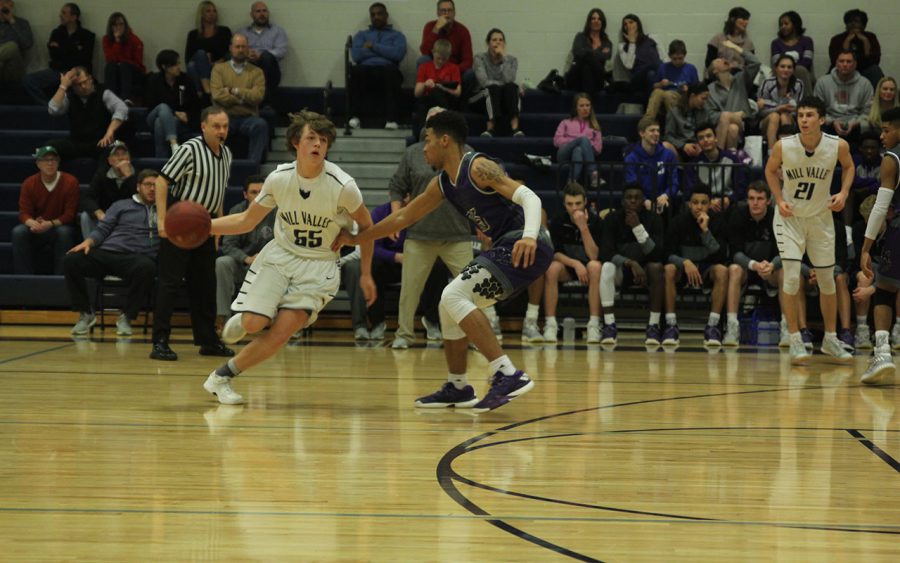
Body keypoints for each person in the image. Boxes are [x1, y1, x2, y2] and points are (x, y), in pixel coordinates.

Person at [334, 110, 554, 413]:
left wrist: (529, 236)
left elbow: (529, 196)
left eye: (427, 140)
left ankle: (507, 373)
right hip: (506, 245)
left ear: (445, 140)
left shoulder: (477, 166)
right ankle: (459, 386)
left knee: (454, 294)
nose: (423, 148)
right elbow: (403, 216)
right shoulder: (442, 184)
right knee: (448, 305)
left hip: (525, 242)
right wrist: (358, 238)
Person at [207, 111, 376, 405]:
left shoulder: (342, 185)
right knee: (253, 325)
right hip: (280, 256)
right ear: (296, 142)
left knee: (283, 331)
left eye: (323, 140)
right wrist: (205, 227)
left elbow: (369, 226)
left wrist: (364, 271)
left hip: (319, 265)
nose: (318, 145)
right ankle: (245, 320)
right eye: (311, 138)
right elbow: (246, 221)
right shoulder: (279, 179)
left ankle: (221, 377)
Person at [765, 95, 855, 363]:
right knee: (792, 277)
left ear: (822, 119)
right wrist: (779, 200)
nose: (804, 120)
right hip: (790, 219)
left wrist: (844, 192)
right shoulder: (784, 146)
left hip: (820, 219)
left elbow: (849, 167)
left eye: (809, 115)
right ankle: (794, 338)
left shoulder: (837, 145)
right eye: (801, 115)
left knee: (827, 280)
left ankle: (830, 339)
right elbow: (770, 172)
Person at [150, 105, 236, 362]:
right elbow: (161, 181)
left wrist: (218, 226)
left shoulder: (227, 154)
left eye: (225, 126)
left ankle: (208, 340)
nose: (221, 131)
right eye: (216, 126)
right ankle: (160, 341)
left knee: (205, 286)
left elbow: (218, 193)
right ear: (203, 127)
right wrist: (163, 222)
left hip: (206, 227)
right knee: (169, 284)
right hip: (180, 225)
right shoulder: (189, 149)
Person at [387, 106, 475, 350]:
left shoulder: (468, 155)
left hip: (457, 235)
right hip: (420, 234)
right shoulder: (414, 153)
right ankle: (404, 334)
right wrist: (396, 217)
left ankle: (479, 335)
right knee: (409, 291)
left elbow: (479, 193)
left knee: (473, 288)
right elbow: (397, 185)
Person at [63, 169, 159, 336]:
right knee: (71, 260)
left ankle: (126, 317)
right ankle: (85, 313)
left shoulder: (165, 210)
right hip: (107, 253)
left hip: (136, 259)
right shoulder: (121, 205)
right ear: (138, 187)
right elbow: (103, 229)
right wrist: (88, 242)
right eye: (147, 185)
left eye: (156, 185)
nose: (152, 189)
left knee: (147, 267)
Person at [859, 107, 900, 384]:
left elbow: (880, 205)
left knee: (884, 288)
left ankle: (882, 351)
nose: (882, 135)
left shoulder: (891, 159)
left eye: (887, 130)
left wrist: (865, 246)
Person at [662, 184, 730, 346]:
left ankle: (712, 326)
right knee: (668, 269)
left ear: (710, 204)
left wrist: (705, 231)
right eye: (695, 202)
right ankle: (671, 326)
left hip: (707, 269)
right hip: (684, 270)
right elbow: (666, 254)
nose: (699, 206)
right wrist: (684, 262)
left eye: (704, 202)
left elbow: (721, 256)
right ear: (689, 204)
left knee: (722, 270)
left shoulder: (718, 221)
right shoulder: (678, 222)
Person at [598, 183, 665, 345]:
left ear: (643, 201)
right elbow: (605, 253)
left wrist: (637, 227)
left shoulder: (654, 219)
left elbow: (658, 254)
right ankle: (609, 324)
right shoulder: (612, 219)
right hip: (623, 270)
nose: (633, 201)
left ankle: (653, 326)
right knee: (606, 267)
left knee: (657, 267)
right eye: (629, 198)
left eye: (637, 198)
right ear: (622, 201)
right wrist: (630, 263)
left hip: (647, 272)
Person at [541, 182, 603, 343]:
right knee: (551, 268)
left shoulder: (595, 221)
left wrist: (583, 228)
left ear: (585, 202)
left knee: (595, 267)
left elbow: (594, 255)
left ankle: (594, 325)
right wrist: (575, 263)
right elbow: (555, 253)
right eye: (569, 204)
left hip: (589, 268)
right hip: (568, 267)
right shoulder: (558, 221)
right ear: (564, 204)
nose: (574, 208)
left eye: (578, 204)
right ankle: (550, 324)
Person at [215, 174, 274, 332]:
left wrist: (262, 259)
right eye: (253, 192)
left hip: (268, 268)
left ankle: (278, 321)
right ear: (245, 195)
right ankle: (222, 316)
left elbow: (282, 245)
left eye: (261, 192)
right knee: (222, 262)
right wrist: (246, 258)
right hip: (244, 265)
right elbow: (228, 245)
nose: (257, 196)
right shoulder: (237, 211)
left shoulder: (277, 213)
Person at [724, 181, 780, 347]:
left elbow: (783, 252)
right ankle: (732, 328)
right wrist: (755, 265)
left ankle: (787, 329)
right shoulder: (738, 214)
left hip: (770, 270)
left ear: (768, 201)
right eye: (751, 198)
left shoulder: (776, 216)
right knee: (734, 269)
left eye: (760, 198)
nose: (755, 203)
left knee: (785, 272)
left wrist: (772, 265)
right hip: (747, 269)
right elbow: (735, 253)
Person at [12, 145, 78, 275]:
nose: (50, 163)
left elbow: (70, 214)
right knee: (18, 232)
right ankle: (23, 279)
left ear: (58, 163)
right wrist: (33, 223)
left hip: (59, 226)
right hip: (37, 228)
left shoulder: (70, 181)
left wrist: (50, 223)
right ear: (38, 164)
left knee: (64, 232)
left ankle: (61, 279)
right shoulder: (29, 183)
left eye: (53, 160)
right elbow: (24, 213)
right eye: (45, 160)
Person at [47, 66, 129, 160]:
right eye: (78, 85)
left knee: (112, 149)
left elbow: (122, 109)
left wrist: (110, 131)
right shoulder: (70, 96)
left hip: (100, 141)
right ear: (72, 86)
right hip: (77, 142)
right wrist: (63, 86)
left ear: (90, 79)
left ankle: (100, 175)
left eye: (85, 82)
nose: (83, 86)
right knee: (50, 147)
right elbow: (53, 110)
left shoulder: (103, 92)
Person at [210, 33, 268, 164]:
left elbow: (258, 97)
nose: (240, 50)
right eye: (237, 47)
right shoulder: (219, 69)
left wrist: (233, 90)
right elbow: (217, 95)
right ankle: (215, 166)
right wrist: (243, 99)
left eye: (243, 47)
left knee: (261, 125)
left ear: (248, 49)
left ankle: (252, 167)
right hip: (224, 117)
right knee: (213, 125)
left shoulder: (257, 72)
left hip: (248, 118)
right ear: (231, 48)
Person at [23, 3, 94, 105]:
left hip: (76, 72)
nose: (60, 15)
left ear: (73, 17)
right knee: (28, 80)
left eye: (64, 13)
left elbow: (84, 58)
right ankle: (48, 106)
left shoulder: (87, 35)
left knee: (79, 83)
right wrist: (74, 49)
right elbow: (54, 55)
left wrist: (61, 49)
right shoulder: (57, 32)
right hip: (57, 71)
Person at [349, 2, 406, 130]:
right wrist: (386, 51)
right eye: (373, 14)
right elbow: (356, 55)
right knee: (355, 71)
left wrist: (373, 46)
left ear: (386, 15)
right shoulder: (361, 35)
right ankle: (355, 118)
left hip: (387, 69)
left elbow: (397, 54)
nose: (376, 17)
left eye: (379, 14)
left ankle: (392, 120)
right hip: (365, 69)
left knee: (392, 73)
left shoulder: (397, 35)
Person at [706, 39, 760, 151]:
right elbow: (711, 115)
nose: (723, 59)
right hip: (721, 127)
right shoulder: (710, 90)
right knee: (732, 128)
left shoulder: (741, 79)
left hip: (744, 124)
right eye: (718, 61)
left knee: (727, 117)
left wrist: (736, 48)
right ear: (715, 71)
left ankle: (718, 155)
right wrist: (733, 115)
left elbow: (756, 63)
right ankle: (729, 162)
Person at [145, 49, 200, 157]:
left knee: (160, 124)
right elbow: (150, 105)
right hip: (152, 116)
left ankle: (161, 165)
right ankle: (174, 144)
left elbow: (195, 105)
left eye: (179, 63)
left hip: (179, 122)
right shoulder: (154, 81)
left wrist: (185, 115)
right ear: (164, 67)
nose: (179, 67)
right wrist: (174, 112)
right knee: (162, 107)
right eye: (175, 64)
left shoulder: (186, 80)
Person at [814, 50, 874, 148]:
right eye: (841, 61)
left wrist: (855, 122)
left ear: (855, 64)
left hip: (856, 123)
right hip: (830, 122)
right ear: (836, 63)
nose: (845, 64)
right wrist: (832, 121)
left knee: (867, 126)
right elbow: (818, 109)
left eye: (848, 61)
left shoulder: (865, 84)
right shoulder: (823, 82)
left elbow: (868, 111)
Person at [80, 140, 136, 239]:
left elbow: (141, 200)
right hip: (106, 217)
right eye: (116, 155)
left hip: (130, 218)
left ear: (129, 158)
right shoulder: (102, 175)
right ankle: (91, 250)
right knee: (85, 216)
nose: (121, 157)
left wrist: (129, 177)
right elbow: (87, 198)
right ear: (110, 161)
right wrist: (98, 212)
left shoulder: (139, 176)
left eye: (124, 154)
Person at [471, 28, 521, 137]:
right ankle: (490, 128)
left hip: (501, 98)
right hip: (481, 97)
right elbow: (484, 82)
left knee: (512, 87)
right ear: (488, 43)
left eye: (501, 40)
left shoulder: (512, 60)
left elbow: (509, 80)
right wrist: (500, 85)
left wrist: (504, 58)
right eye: (494, 40)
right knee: (492, 88)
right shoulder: (480, 58)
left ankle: (515, 128)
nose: (498, 42)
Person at [625, 116, 678, 213]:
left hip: (663, 203)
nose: (656, 134)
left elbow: (673, 183)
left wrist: (666, 195)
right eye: (652, 130)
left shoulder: (668, 155)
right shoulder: (631, 158)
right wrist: (644, 200)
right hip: (641, 204)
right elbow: (631, 184)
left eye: (658, 130)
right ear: (642, 133)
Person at [688, 124, 746, 213]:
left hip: (729, 203)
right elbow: (691, 190)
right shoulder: (694, 165)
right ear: (698, 143)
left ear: (716, 138)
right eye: (701, 138)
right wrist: (708, 202)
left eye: (709, 136)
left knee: (741, 206)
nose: (706, 140)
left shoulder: (732, 159)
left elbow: (741, 187)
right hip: (705, 205)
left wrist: (730, 199)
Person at [236, 1, 288, 99]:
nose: (262, 14)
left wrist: (260, 55)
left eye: (264, 11)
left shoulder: (277, 31)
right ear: (252, 14)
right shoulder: (242, 32)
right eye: (258, 11)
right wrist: (246, 54)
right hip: (247, 67)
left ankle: (262, 97)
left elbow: (281, 51)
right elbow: (234, 49)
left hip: (270, 71)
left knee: (266, 56)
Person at [554, 92, 602, 187]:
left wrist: (585, 145)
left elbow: (598, 149)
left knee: (578, 150)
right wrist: (577, 141)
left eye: (587, 105)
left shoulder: (595, 126)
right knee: (582, 140)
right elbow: (557, 141)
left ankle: (571, 182)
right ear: (576, 107)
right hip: (564, 154)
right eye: (581, 106)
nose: (585, 108)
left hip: (582, 155)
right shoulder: (565, 122)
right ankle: (593, 174)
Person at [185, 1, 231, 100]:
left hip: (219, 66)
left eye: (214, 11)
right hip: (200, 67)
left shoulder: (224, 31)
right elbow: (188, 58)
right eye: (208, 11)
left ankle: (201, 93)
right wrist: (204, 61)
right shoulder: (193, 34)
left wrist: (218, 62)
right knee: (196, 59)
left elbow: (231, 52)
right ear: (201, 14)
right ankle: (207, 90)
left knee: (194, 64)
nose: (212, 14)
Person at [757, 55, 804, 151]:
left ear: (793, 70)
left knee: (784, 115)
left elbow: (797, 109)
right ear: (776, 68)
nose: (786, 70)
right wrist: (778, 108)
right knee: (775, 116)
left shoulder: (798, 84)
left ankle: (786, 152)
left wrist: (772, 105)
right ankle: (772, 153)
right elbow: (760, 109)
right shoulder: (767, 83)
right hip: (766, 120)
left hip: (789, 119)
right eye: (782, 66)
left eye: (789, 67)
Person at [644, 40, 699, 122]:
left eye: (680, 58)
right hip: (663, 98)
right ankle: (647, 122)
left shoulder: (691, 68)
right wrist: (660, 84)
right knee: (657, 92)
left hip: (681, 98)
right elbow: (654, 86)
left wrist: (688, 89)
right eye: (674, 59)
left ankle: (675, 124)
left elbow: (698, 90)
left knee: (668, 94)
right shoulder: (663, 67)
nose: (677, 61)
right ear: (669, 56)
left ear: (685, 55)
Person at [828, 9, 883, 88]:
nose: (853, 24)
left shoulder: (871, 37)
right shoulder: (837, 39)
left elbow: (875, 60)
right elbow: (834, 60)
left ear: (863, 25)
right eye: (850, 22)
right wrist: (847, 40)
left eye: (856, 21)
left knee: (875, 70)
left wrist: (865, 41)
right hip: (843, 68)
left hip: (865, 69)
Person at [613, 14, 664, 97]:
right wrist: (632, 42)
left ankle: (650, 106)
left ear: (638, 24)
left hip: (655, 74)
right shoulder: (622, 46)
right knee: (657, 63)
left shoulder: (652, 38)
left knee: (651, 74)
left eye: (631, 22)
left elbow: (664, 57)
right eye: (625, 24)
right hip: (637, 78)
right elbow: (629, 65)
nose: (628, 25)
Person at [565, 8, 613, 95]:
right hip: (576, 77)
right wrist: (595, 55)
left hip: (596, 79)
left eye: (599, 19)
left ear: (602, 22)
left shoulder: (607, 42)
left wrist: (586, 53)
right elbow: (577, 52)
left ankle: (586, 100)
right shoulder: (580, 37)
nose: (596, 21)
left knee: (587, 66)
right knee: (585, 63)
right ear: (589, 21)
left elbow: (606, 57)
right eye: (593, 18)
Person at [418, 0, 472, 76]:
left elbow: (468, 60)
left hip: (454, 70)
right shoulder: (430, 26)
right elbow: (424, 51)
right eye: (443, 10)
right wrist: (436, 29)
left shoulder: (463, 30)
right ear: (438, 13)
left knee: (470, 73)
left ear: (454, 13)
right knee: (422, 60)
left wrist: (452, 70)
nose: (446, 13)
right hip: (434, 69)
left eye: (450, 10)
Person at [662, 81, 713, 160]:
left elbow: (707, 131)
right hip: (680, 147)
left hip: (699, 146)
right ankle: (678, 170)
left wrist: (700, 143)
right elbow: (668, 136)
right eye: (703, 98)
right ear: (692, 96)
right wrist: (683, 145)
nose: (705, 102)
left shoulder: (705, 111)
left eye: (706, 99)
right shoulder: (674, 112)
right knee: (666, 145)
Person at [102, 12, 145, 103]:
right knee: (110, 66)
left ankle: (126, 98)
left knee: (124, 66)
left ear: (125, 25)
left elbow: (138, 62)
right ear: (111, 27)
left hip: (133, 71)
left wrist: (122, 62)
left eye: (121, 24)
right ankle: (111, 99)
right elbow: (110, 59)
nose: (118, 27)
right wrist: (117, 42)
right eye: (115, 25)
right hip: (116, 68)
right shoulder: (106, 39)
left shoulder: (134, 40)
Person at [770, 11, 814, 95]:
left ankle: (807, 103)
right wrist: (787, 69)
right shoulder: (776, 43)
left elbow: (807, 61)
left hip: (802, 73)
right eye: (781, 25)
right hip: (782, 73)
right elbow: (776, 62)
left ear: (795, 24)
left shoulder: (807, 41)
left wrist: (790, 69)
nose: (783, 27)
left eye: (786, 24)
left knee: (800, 70)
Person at [414, 39, 460, 118]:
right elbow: (417, 93)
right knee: (430, 95)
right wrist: (425, 84)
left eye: (444, 59)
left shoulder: (454, 68)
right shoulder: (424, 67)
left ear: (449, 56)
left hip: (447, 98)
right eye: (438, 58)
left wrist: (443, 88)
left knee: (436, 91)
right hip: (428, 100)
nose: (441, 61)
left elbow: (458, 92)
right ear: (433, 52)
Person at [706, 7, 754, 72]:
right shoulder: (718, 38)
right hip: (720, 76)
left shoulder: (748, 43)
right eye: (743, 18)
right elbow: (709, 63)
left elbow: (752, 65)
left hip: (740, 78)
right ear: (732, 19)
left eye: (747, 19)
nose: (746, 22)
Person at [0, 0, 32, 85]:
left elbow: (27, 44)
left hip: (15, 68)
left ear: (11, 5)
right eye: (0, 3)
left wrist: (12, 22)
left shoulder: (22, 23)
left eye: (5, 3)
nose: (2, 6)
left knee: (12, 46)